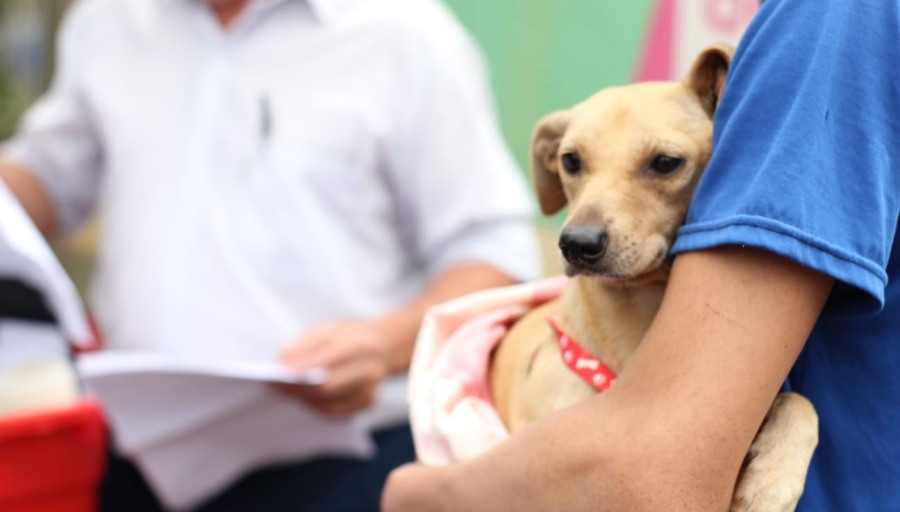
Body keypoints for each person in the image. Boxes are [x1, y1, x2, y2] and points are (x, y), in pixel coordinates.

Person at [0, 0, 541, 510]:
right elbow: (50, 175)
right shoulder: (109, 19)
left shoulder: (404, 34)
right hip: (137, 462)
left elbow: (496, 255)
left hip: (338, 469)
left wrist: (383, 344)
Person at [382, 0, 900, 510]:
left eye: (664, 165)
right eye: (573, 164)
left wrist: (792, 419)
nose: (582, 229)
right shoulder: (559, 368)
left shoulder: (837, 22)